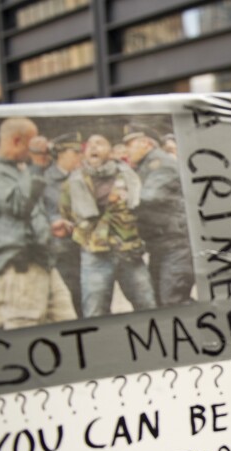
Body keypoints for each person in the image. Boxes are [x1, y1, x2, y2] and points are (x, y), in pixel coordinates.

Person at [0, 117, 76, 329]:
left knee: (68, 324)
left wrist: (47, 227)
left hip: (43, 261)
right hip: (19, 268)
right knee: (26, 331)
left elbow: (24, 216)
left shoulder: (20, 170)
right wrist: (36, 166)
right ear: (16, 141)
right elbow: (18, 205)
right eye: (31, 144)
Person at [60, 134, 156, 317]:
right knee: (95, 311)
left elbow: (142, 210)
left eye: (100, 143)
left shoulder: (129, 176)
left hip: (129, 251)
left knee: (147, 304)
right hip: (95, 255)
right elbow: (66, 212)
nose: (94, 147)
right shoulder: (73, 182)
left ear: (111, 153)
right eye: (90, 145)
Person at [123, 124, 195, 306]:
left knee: (173, 299)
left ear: (146, 143)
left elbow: (148, 197)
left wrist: (120, 196)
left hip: (177, 246)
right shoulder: (144, 166)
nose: (127, 150)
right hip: (160, 245)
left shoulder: (161, 163)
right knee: (158, 300)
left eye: (130, 144)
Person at [43, 132, 85, 316]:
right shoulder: (45, 181)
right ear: (61, 154)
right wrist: (55, 222)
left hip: (86, 243)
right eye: (74, 152)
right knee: (75, 291)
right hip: (63, 246)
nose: (79, 157)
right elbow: (40, 213)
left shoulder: (81, 177)